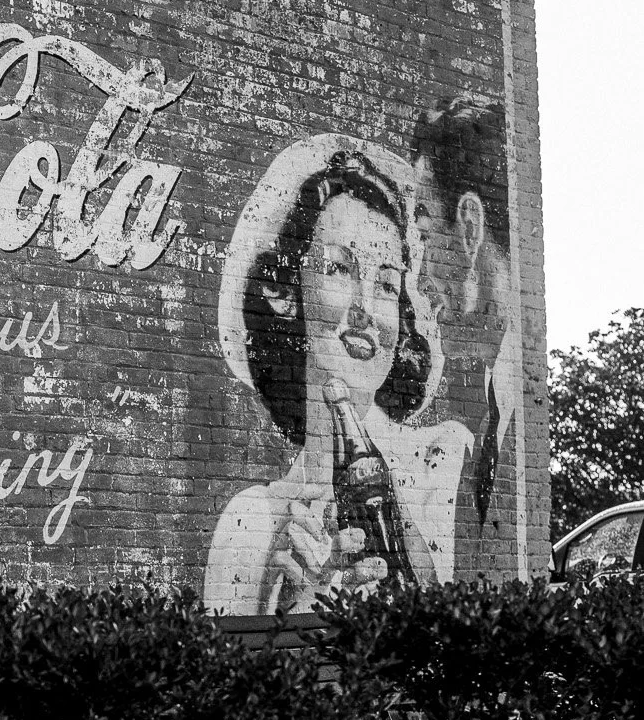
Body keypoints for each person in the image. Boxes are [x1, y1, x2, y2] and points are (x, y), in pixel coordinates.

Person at [206, 139, 464, 616]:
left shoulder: (444, 464)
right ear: (290, 293)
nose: (366, 308)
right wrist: (301, 606)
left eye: (386, 284)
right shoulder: (253, 522)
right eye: (340, 269)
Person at [409, 98, 518, 578]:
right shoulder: (496, 401)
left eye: (425, 234)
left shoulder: (513, 413)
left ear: (469, 226)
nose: (417, 277)